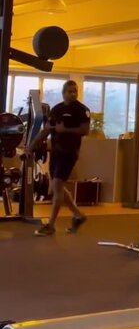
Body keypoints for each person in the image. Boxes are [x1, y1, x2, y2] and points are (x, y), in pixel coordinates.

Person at [27, 81, 91, 236]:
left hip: (69, 153)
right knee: (58, 187)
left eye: (75, 91)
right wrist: (30, 147)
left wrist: (65, 130)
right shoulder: (56, 109)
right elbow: (46, 131)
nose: (73, 94)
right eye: (70, 91)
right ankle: (78, 215)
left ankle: (51, 225)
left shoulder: (82, 110)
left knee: (57, 185)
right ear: (63, 93)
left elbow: (85, 130)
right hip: (56, 152)